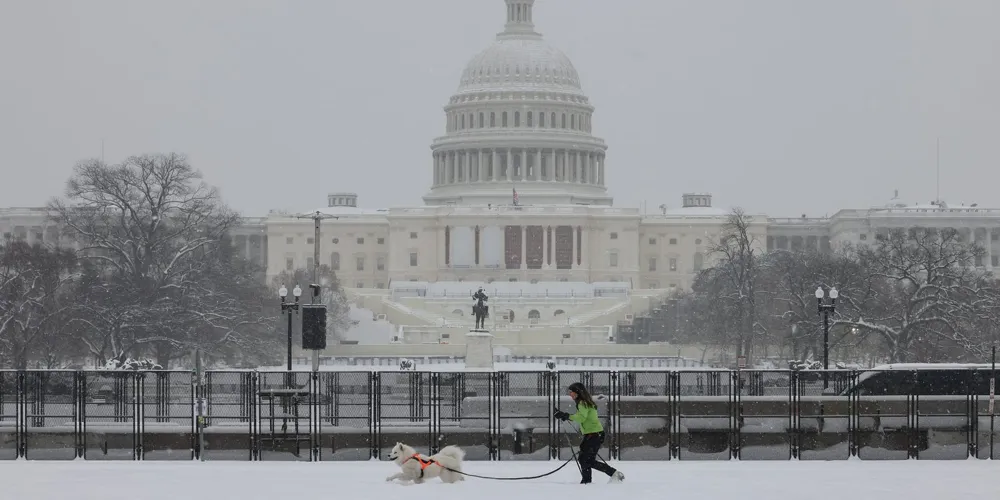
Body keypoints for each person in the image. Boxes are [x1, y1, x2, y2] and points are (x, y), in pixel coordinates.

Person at [553, 382, 625, 484]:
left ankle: (607, 475)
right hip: (594, 435)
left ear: (577, 392)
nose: (570, 394)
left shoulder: (582, 403)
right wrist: (565, 415)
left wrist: (566, 415)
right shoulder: (584, 402)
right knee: (585, 459)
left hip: (594, 435)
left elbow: (582, 418)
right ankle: (588, 481)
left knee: (586, 459)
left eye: (571, 392)